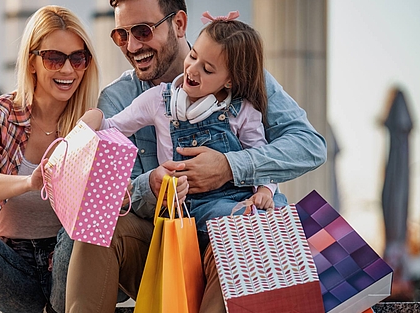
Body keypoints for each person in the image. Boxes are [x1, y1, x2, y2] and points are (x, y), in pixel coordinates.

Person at [65, 0, 327, 313]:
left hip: (233, 234)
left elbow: (310, 146)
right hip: (163, 242)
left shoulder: (242, 72)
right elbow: (108, 195)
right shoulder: (122, 97)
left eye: (142, 31)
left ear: (178, 24)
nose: (133, 46)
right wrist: (152, 184)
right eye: (122, 35)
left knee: (239, 237)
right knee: (98, 226)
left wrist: (230, 167)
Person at [0, 5, 99, 313]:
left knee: (75, 235)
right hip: (12, 267)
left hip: (66, 269)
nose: (68, 70)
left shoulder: (91, 122)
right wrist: (30, 182)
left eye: (78, 58)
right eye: (55, 58)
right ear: (32, 62)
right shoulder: (0, 113)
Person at [80, 12, 281, 242]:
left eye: (208, 69)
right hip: (197, 210)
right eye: (193, 56)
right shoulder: (158, 100)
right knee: (240, 225)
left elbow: (261, 158)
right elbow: (112, 128)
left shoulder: (243, 111)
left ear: (230, 81)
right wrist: (95, 118)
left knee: (287, 223)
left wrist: (265, 191)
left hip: (244, 200)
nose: (193, 69)